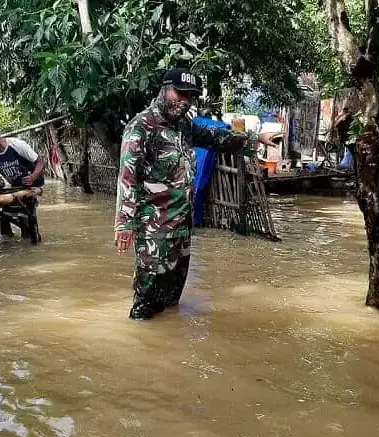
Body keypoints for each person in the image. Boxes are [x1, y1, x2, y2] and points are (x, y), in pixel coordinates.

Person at [115, 68, 276, 320]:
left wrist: (256, 139)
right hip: (154, 232)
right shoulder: (141, 126)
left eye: (190, 96)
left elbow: (219, 138)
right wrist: (124, 223)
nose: (184, 101)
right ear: (164, 89)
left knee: (171, 303)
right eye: (180, 93)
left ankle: (167, 353)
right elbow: (128, 176)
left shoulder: (185, 126)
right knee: (145, 306)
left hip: (182, 228)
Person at [0, 117, 45, 187]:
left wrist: (34, 176)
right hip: (16, 187)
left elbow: (40, 162)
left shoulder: (16, 144)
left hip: (35, 185)